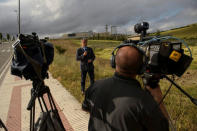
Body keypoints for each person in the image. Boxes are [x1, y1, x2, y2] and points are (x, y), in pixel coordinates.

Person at [84, 45, 169, 131]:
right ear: (141, 68)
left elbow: (86, 108)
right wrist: (158, 99)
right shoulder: (144, 101)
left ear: (113, 62)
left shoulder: (95, 86)